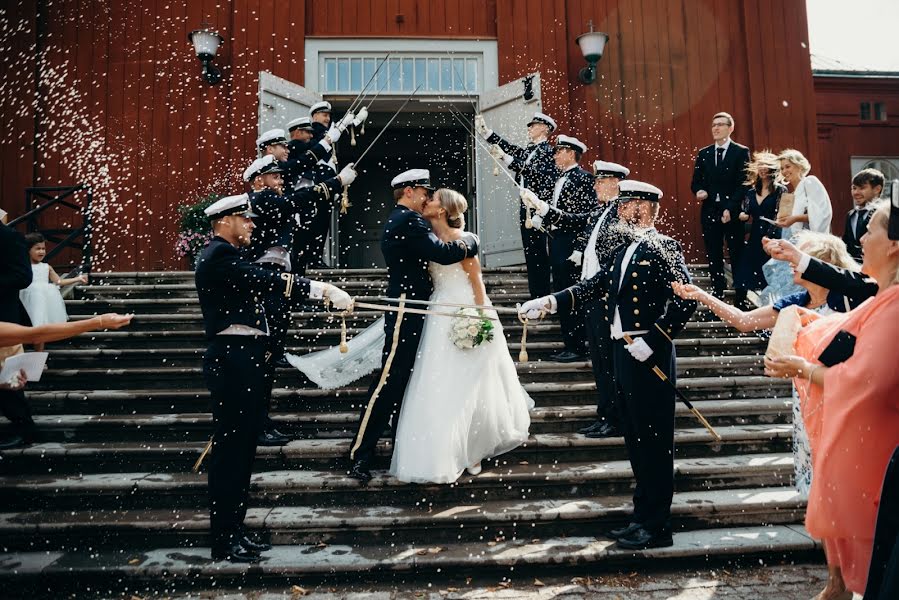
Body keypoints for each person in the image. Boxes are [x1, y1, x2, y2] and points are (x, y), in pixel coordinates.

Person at [519, 180, 696, 550]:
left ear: (645, 208)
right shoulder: (623, 250)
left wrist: (655, 339)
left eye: (626, 204)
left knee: (654, 442)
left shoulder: (664, 246)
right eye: (619, 204)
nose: (618, 210)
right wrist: (549, 302)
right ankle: (641, 517)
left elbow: (686, 300)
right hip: (623, 352)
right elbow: (593, 286)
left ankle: (657, 525)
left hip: (649, 354)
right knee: (634, 437)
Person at [194, 193, 353, 563]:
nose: (251, 224)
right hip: (232, 361)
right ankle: (224, 539)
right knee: (232, 455)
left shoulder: (229, 255)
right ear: (225, 222)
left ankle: (235, 530)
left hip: (244, 359)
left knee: (243, 452)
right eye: (244, 219)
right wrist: (318, 289)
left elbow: (262, 281)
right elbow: (263, 279)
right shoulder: (218, 255)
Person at [763, 198, 899, 598]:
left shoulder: (892, 301)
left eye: (871, 229)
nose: (861, 236)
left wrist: (802, 368)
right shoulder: (883, 292)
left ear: (893, 243)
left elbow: (865, 381)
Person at [673, 231, 860, 497]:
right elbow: (743, 320)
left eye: (801, 256)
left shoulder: (848, 298)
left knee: (842, 473)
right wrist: (702, 296)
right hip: (806, 396)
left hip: (840, 390)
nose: (792, 263)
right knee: (816, 476)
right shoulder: (797, 302)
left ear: (822, 261)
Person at [389, 188, 532, 483]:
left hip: (464, 307)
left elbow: (477, 283)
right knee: (439, 381)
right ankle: (445, 449)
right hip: (437, 312)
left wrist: (479, 318)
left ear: (441, 210)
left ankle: (474, 448)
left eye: (433, 199)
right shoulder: (428, 239)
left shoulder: (463, 241)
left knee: (470, 382)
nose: (426, 200)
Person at [347, 169, 479, 484]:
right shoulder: (408, 220)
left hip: (416, 307)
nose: (425, 198)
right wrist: (471, 241)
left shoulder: (405, 219)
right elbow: (442, 253)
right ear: (409, 191)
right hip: (406, 307)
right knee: (388, 383)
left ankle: (393, 445)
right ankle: (360, 453)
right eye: (423, 192)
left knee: (402, 381)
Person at [241, 154, 356, 445]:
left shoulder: (272, 200)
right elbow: (296, 201)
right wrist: (337, 182)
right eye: (275, 176)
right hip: (266, 285)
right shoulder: (261, 199)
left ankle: (260, 422)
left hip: (277, 284)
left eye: (281, 176)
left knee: (268, 360)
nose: (281, 181)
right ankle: (255, 424)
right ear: (258, 180)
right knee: (262, 362)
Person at [519, 160, 631, 438]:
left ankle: (615, 418)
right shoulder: (598, 213)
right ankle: (604, 414)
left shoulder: (622, 215)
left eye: (599, 181)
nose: (594, 185)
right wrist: (541, 206)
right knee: (598, 361)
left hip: (608, 299)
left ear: (614, 183)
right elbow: (571, 221)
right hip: (591, 296)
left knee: (610, 362)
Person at [475, 111, 559, 299]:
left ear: (545, 129)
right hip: (527, 208)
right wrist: (488, 133)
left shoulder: (548, 152)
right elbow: (511, 149)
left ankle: (541, 296)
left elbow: (534, 173)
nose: (529, 128)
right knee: (531, 254)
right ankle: (535, 294)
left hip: (539, 209)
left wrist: (505, 158)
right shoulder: (531, 150)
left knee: (538, 255)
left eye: (534, 125)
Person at [542, 135, 595, 362]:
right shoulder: (557, 178)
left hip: (572, 242)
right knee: (561, 288)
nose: (554, 156)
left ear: (571, 154)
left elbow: (588, 217)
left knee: (571, 293)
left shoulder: (584, 179)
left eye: (559, 151)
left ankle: (578, 345)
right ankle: (569, 343)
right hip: (556, 240)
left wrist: (580, 247)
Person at [760, 148, 833, 304]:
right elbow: (791, 223)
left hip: (806, 245)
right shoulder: (790, 194)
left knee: (797, 284)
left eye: (788, 166)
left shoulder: (810, 182)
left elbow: (822, 214)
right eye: (782, 168)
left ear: (799, 165)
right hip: (791, 242)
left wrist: (794, 219)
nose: (785, 171)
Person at [690, 112, 751, 299]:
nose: (715, 128)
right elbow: (696, 182)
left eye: (720, 124)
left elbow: (744, 183)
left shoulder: (740, 152)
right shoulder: (704, 153)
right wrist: (699, 191)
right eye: (713, 125)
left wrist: (731, 207)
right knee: (713, 254)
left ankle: (741, 296)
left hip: (732, 211)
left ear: (730, 128)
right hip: (710, 210)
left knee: (737, 253)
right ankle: (718, 293)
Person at [19, 233, 88, 352]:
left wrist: (78, 278)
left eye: (43, 248)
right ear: (28, 250)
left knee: (40, 325)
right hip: (27, 296)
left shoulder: (46, 267)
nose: (41, 251)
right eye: (37, 249)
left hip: (42, 299)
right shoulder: (23, 266)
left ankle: (38, 355)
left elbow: (59, 281)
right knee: (22, 327)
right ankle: (21, 354)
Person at [733, 151, 784, 309]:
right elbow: (745, 211)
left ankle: (768, 307)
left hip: (773, 235)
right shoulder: (751, 191)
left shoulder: (781, 191)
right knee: (745, 269)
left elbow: (783, 213)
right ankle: (740, 305)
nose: (762, 169)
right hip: (755, 236)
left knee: (768, 271)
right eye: (760, 166)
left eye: (766, 166)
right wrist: (742, 215)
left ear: (772, 169)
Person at [0, 219, 34, 450]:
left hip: (3, 313)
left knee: (8, 373)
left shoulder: (10, 237)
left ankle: (24, 428)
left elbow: (23, 276)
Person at [843, 167, 884, 262]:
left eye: (862, 188)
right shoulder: (850, 215)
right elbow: (847, 243)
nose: (856, 192)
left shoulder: (883, 213)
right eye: (854, 188)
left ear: (877, 189)